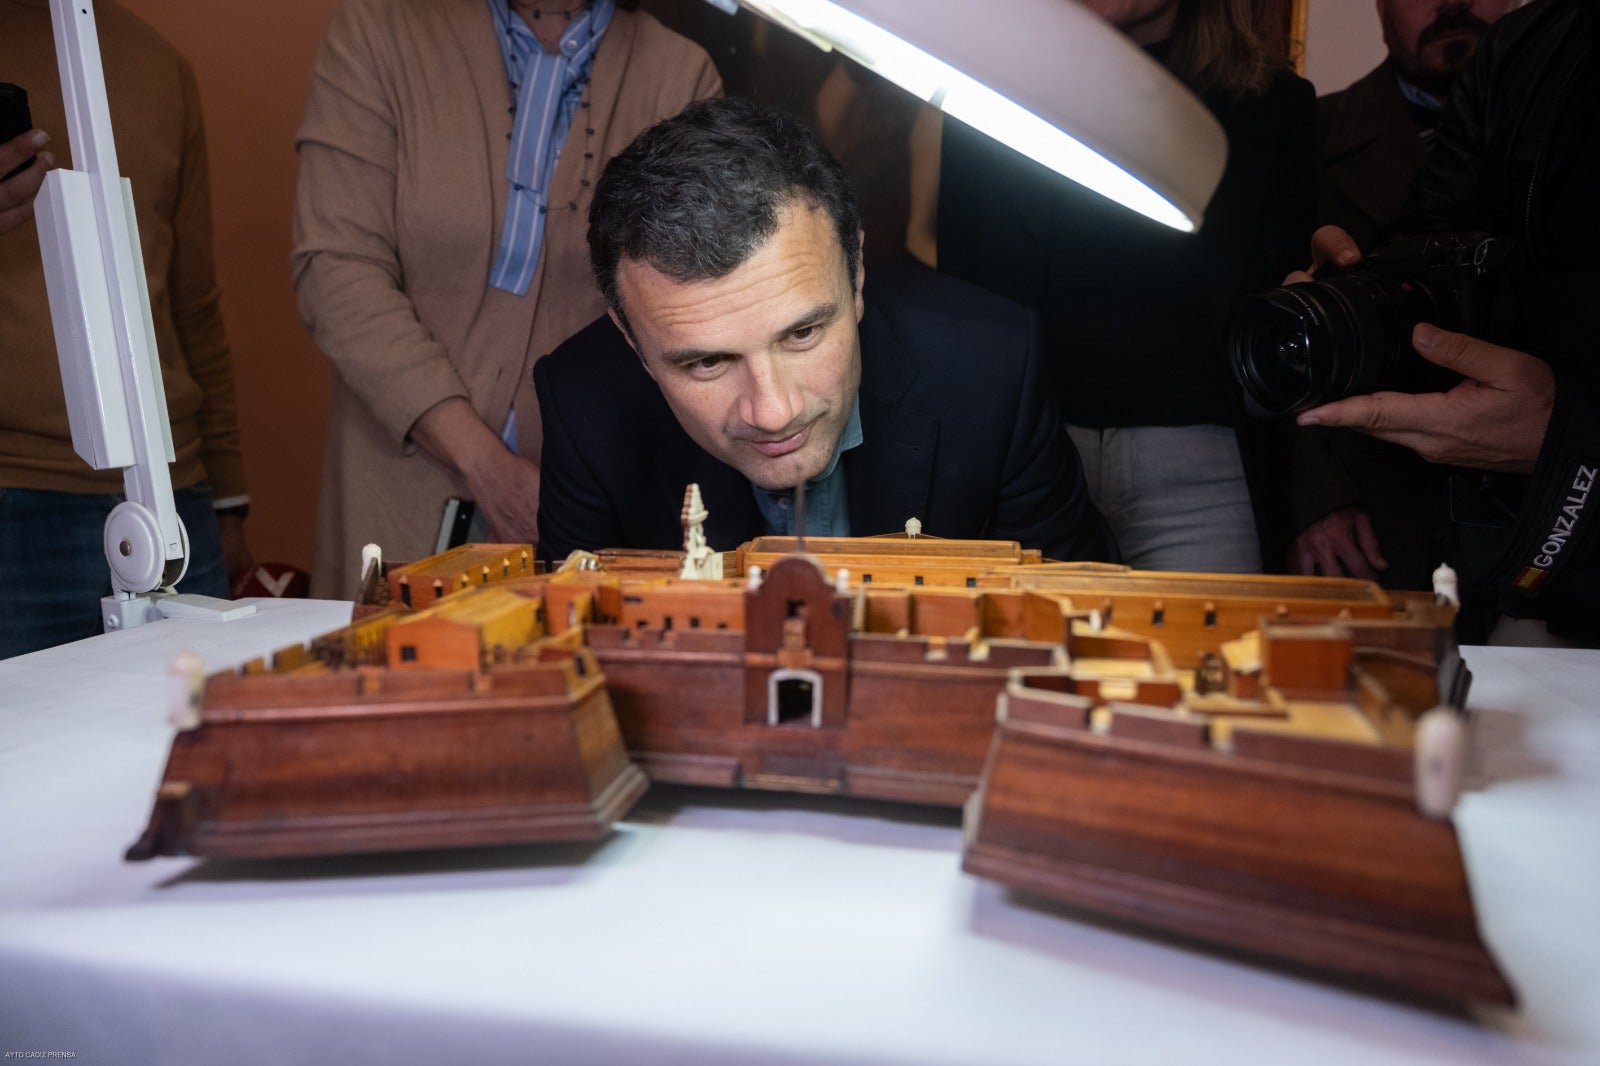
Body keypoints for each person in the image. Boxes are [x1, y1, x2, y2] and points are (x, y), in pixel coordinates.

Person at [534, 97, 1115, 564]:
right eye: (706, 362)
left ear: (856, 274)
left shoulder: (991, 366)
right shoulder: (583, 407)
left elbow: (1081, 619)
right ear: (630, 339)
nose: (773, 412)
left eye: (803, 333)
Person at [293, 0, 720, 598]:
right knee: (385, 648)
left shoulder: (681, 74)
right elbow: (335, 270)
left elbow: (690, 307)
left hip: (584, 502)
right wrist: (485, 466)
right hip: (399, 485)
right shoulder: (377, 34)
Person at [936, 0, 1315, 574]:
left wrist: (1319, 498)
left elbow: (1293, 321)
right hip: (1034, 458)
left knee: (1206, 634)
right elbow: (963, 305)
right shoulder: (994, 91)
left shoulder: (1271, 106)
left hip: (1201, 471)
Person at [1296, 0, 1598, 644]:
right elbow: (1432, 239)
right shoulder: (1524, 47)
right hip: (1505, 553)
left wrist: (1567, 436)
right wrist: (1346, 302)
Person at [0, 0, 252, 659]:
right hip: (16, 493)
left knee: (201, 723)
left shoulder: (155, 62)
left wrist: (228, 497)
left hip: (173, 491)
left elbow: (191, 298)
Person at [1289, 0, 1512, 588]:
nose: (1452, 3)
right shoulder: (1305, 133)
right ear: (1381, 9)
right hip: (1374, 517)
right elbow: (1259, 328)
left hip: (1557, 503)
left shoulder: (1575, 129)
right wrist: (1316, 497)